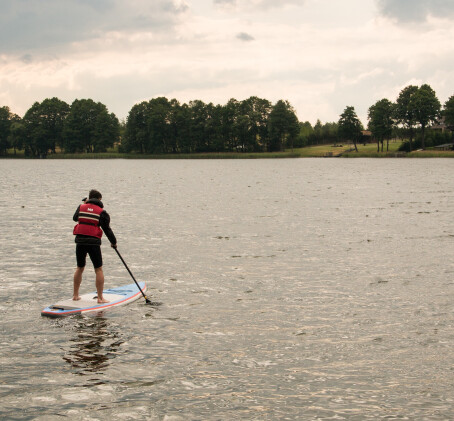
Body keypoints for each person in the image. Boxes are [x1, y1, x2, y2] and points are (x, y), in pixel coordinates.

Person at [72, 189, 117, 303]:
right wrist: (113, 242)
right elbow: (107, 229)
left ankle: (75, 295)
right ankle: (100, 298)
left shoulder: (81, 207)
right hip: (93, 243)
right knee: (98, 269)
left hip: (80, 241)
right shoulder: (102, 212)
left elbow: (75, 218)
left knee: (80, 267)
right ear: (99, 199)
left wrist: (84, 205)